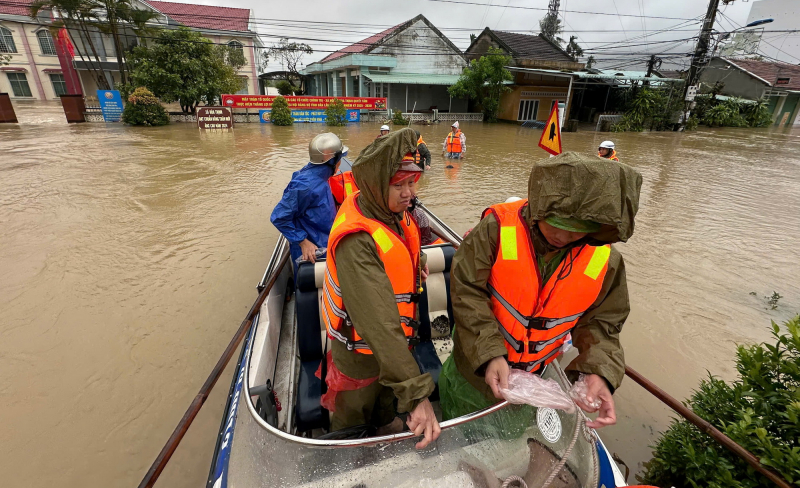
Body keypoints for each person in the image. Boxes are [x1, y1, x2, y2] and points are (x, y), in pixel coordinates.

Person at [439, 152, 642, 430]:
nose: (563, 236)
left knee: (508, 438)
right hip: (472, 371)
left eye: (577, 231)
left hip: (534, 377)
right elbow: (466, 291)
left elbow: (603, 323)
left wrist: (599, 372)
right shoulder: (496, 229)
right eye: (557, 224)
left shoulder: (606, 261)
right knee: (460, 431)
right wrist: (488, 354)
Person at [321, 128, 441, 449]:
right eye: (398, 185)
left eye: (412, 183)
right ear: (376, 186)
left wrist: (419, 261)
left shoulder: (391, 212)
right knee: (351, 433)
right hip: (361, 359)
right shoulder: (356, 240)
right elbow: (380, 326)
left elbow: (398, 248)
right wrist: (417, 397)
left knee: (387, 412)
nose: (409, 194)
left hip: (396, 353)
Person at [270, 133, 347, 268]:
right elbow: (279, 217)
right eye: (340, 159)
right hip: (313, 254)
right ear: (332, 161)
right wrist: (303, 242)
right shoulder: (306, 186)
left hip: (326, 242)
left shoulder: (319, 176)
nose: (341, 163)